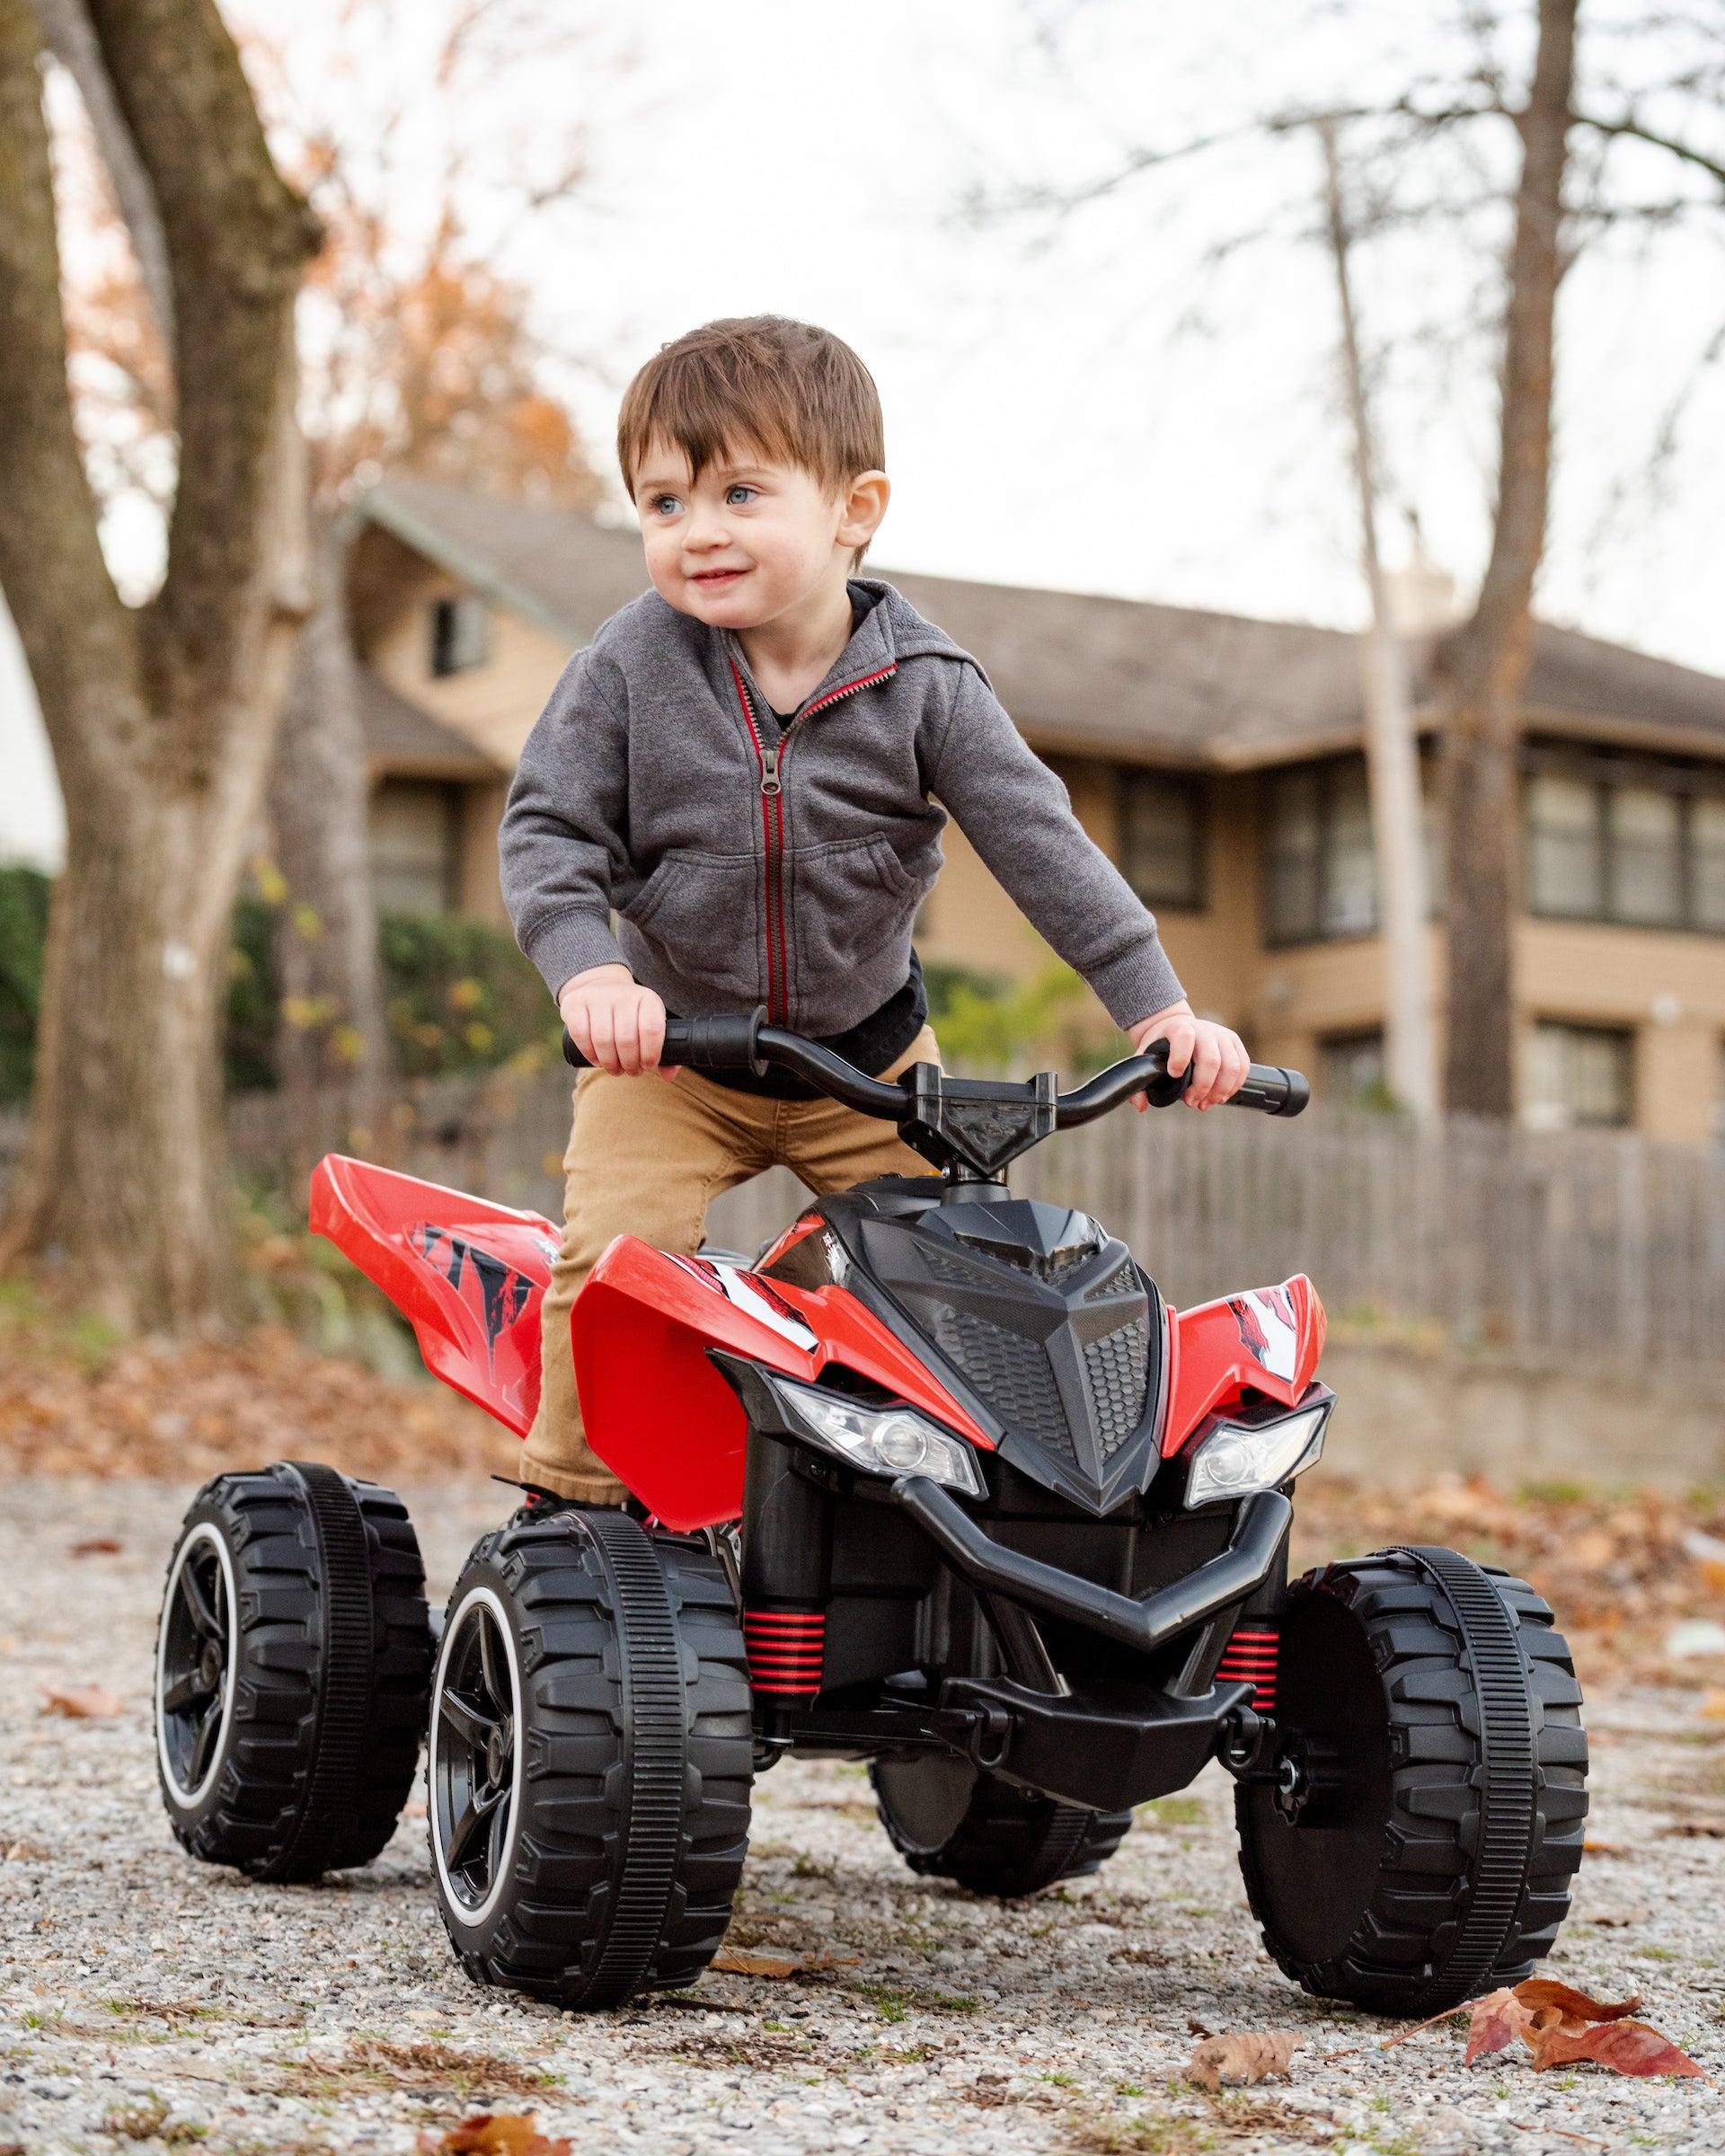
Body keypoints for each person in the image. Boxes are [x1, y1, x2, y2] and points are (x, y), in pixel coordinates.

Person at [500, 314, 1251, 1508]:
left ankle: (923, 1532)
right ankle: (572, 1517)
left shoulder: (927, 690)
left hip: (873, 1069)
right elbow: (548, 830)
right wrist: (590, 972)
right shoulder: (628, 668)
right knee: (613, 1263)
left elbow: (1044, 847)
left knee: (963, 1300)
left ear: (855, 510)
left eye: (741, 493)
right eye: (664, 505)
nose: (699, 533)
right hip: (677, 1062)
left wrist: (1160, 1011)